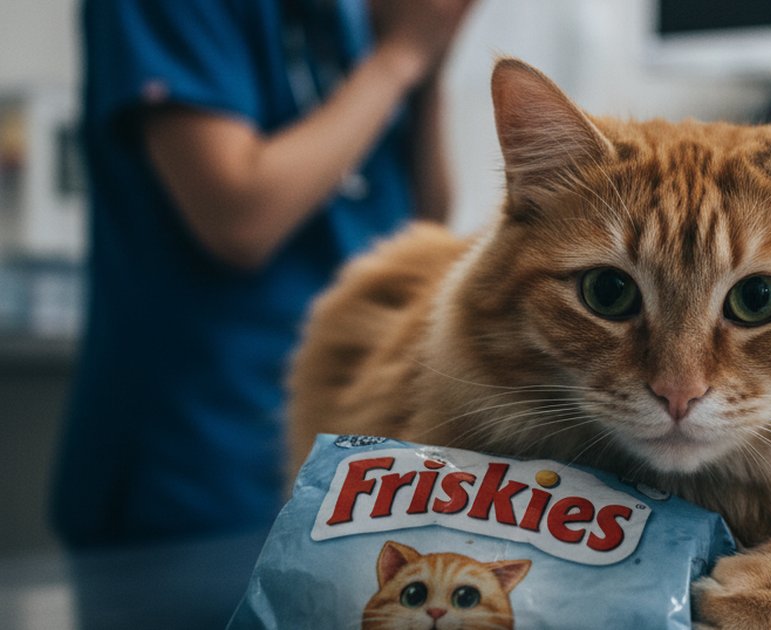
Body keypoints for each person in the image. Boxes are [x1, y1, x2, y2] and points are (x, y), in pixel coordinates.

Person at [52, 0, 474, 548]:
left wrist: (429, 63)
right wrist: (399, 58)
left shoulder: (339, 17)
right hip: (202, 452)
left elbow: (422, 224)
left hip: (337, 440)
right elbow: (239, 218)